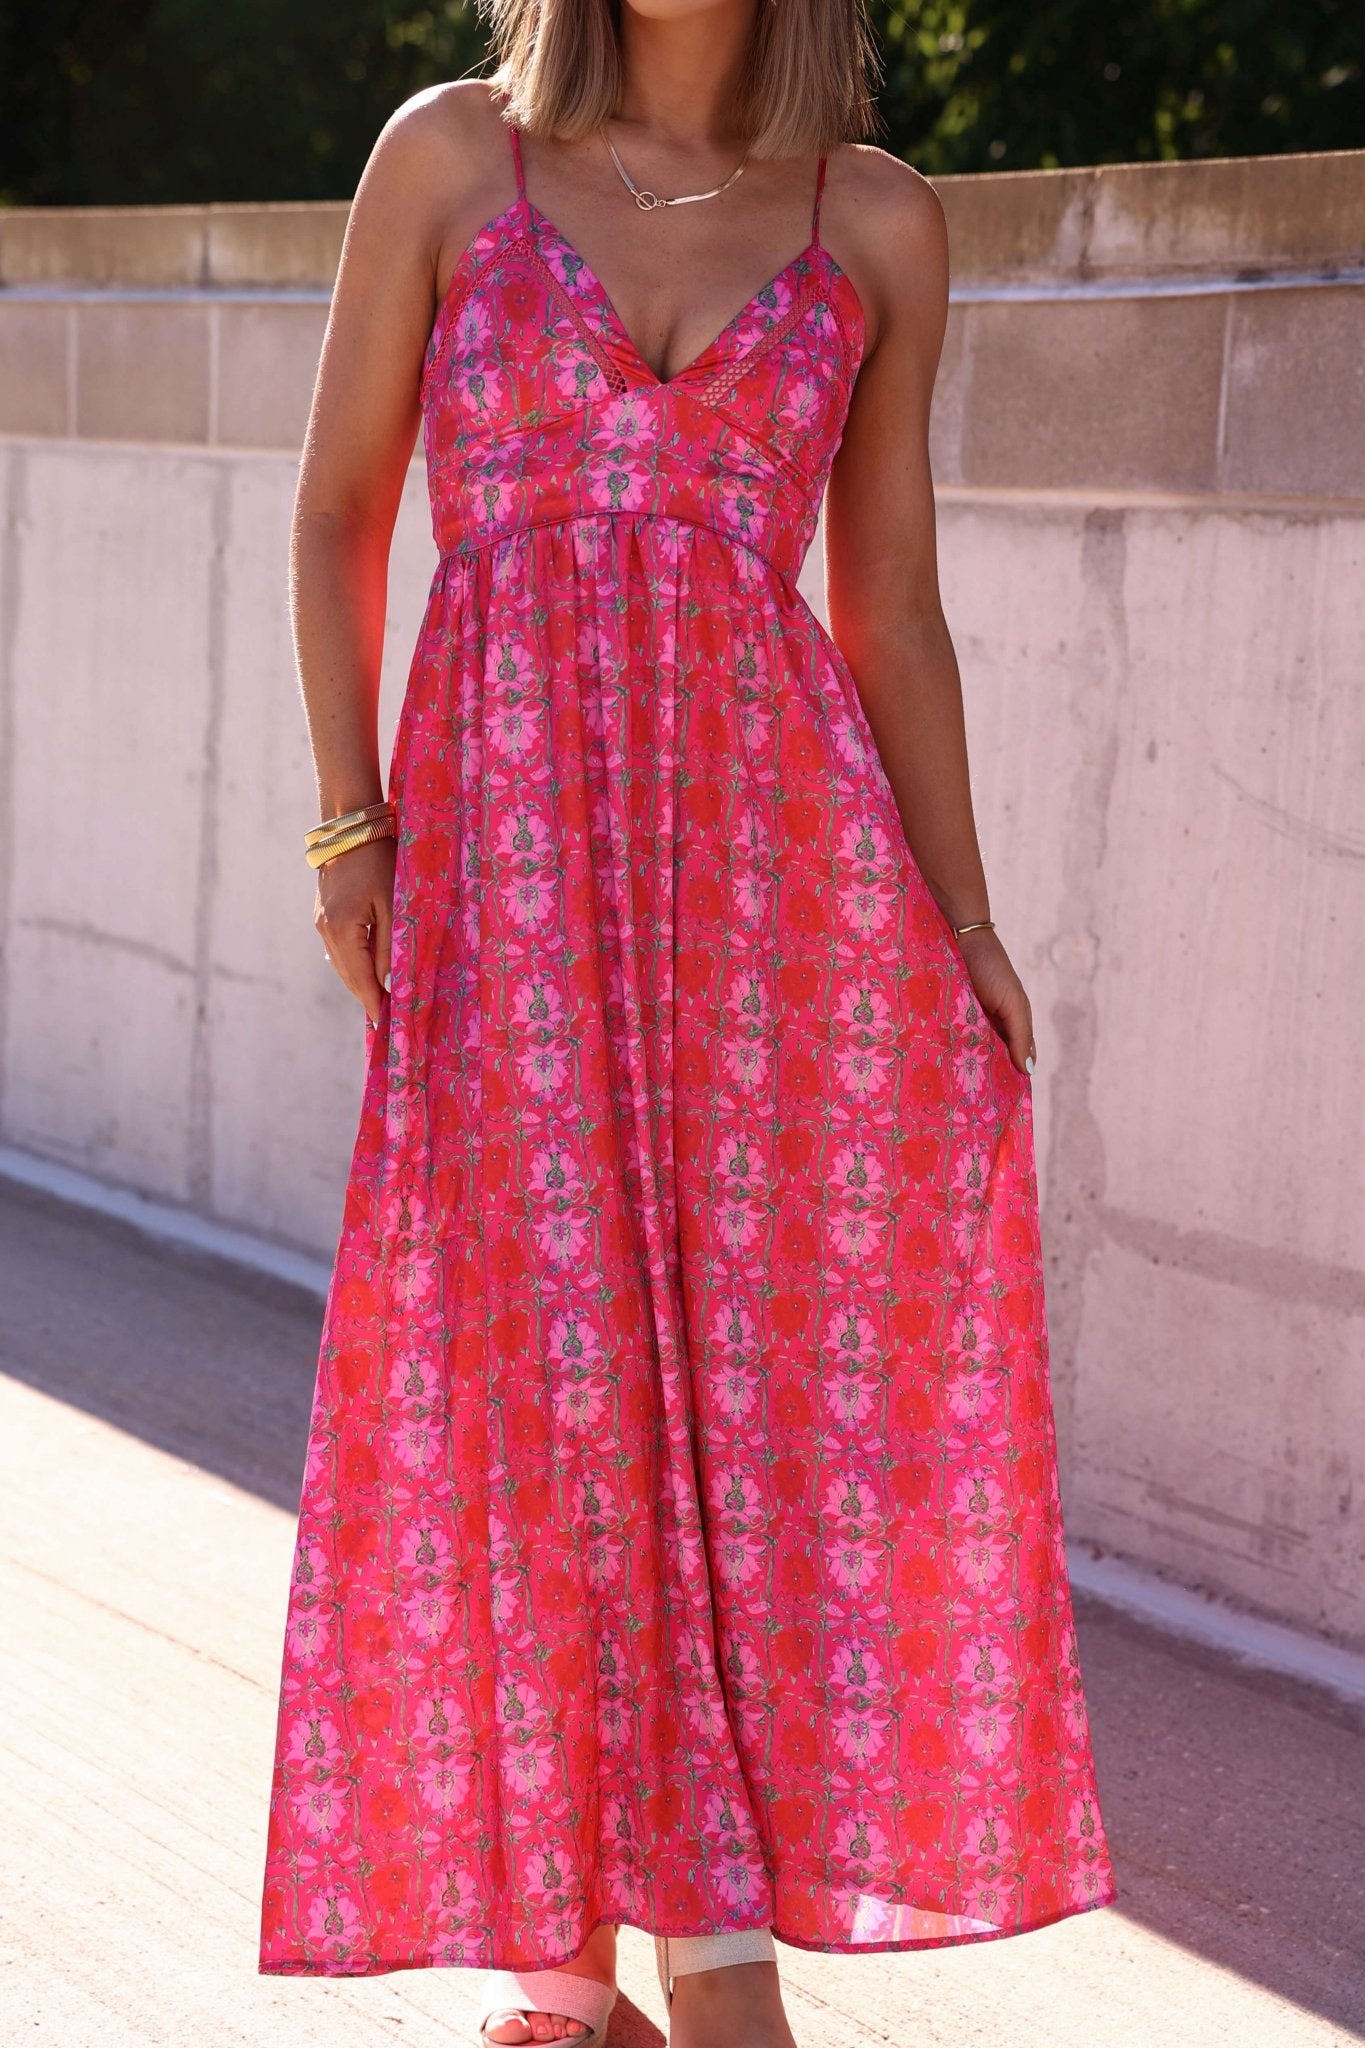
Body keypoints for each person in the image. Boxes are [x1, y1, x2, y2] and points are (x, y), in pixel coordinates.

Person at [258, 2, 1119, 2043]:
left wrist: (962, 907)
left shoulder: (876, 225)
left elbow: (884, 601)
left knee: (725, 1412)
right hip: (503, 878)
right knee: (540, 1385)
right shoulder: (448, 162)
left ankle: (598, 1984)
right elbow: (334, 514)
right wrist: (344, 829)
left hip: (769, 909)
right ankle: (637, 1965)